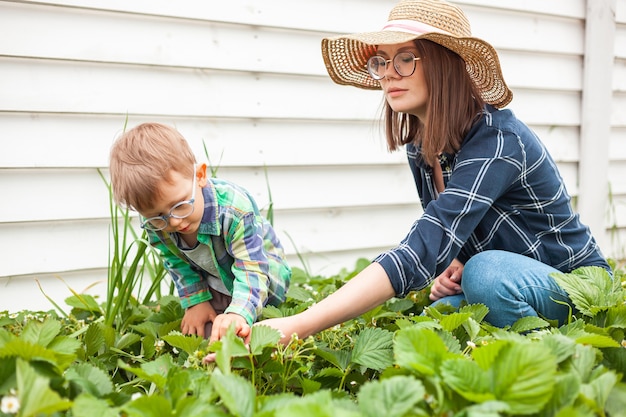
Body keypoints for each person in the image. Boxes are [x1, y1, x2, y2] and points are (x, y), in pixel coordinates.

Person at [258, 0, 611, 343]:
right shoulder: (421, 146)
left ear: (445, 64)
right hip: (519, 277)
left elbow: (428, 241)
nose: (388, 73)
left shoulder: (497, 139)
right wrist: (455, 261)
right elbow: (447, 236)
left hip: (578, 287)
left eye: (406, 58)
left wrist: (300, 324)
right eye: (381, 61)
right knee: (441, 313)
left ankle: (555, 356)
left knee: (485, 275)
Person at [109, 122, 291, 343]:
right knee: (204, 333)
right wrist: (196, 302)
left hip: (262, 275)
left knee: (251, 334)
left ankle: (251, 319)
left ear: (200, 175)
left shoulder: (235, 210)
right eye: (158, 216)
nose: (174, 221)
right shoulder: (156, 223)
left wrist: (237, 313)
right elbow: (176, 262)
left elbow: (252, 268)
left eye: (180, 205)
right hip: (217, 276)